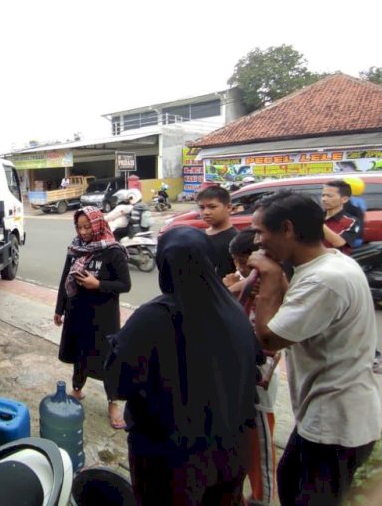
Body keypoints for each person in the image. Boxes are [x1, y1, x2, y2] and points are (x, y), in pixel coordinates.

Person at [106, 226, 258, 505]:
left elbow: (118, 383)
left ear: (163, 266)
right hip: (229, 453)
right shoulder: (233, 310)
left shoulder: (151, 318)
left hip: (169, 460)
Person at [249, 191, 381, 506]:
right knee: (290, 480)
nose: (256, 242)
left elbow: (268, 339)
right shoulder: (327, 264)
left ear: (288, 229)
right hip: (327, 415)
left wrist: (268, 277)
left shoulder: (324, 281)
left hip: (335, 423)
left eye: (261, 232)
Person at [54, 206, 131, 429]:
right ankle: (77, 389)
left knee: (107, 359)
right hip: (77, 313)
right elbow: (64, 279)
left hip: (103, 317)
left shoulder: (113, 251)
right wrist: (59, 309)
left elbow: (125, 285)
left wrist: (98, 284)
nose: (84, 231)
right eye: (79, 227)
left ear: (98, 224)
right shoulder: (75, 247)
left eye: (88, 226)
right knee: (79, 354)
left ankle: (113, 403)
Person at [223, 229, 280, 506]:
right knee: (242, 440)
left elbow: (266, 339)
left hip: (259, 378)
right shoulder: (245, 283)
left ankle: (262, 499)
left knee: (260, 447)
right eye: (235, 261)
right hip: (238, 373)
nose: (240, 268)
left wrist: (235, 290)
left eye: (244, 262)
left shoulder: (269, 287)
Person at [196, 185, 238, 278]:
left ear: (228, 207)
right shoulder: (199, 235)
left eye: (212, 207)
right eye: (202, 207)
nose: (206, 212)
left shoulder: (235, 239)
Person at [321, 180, 361, 255]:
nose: (324, 199)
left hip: (337, 263)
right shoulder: (318, 216)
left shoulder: (351, 221)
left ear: (344, 199)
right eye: (323, 195)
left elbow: (338, 242)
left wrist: (317, 222)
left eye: (329, 196)